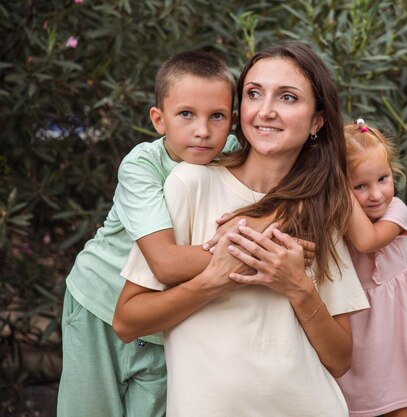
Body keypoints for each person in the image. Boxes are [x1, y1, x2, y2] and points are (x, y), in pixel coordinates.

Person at [112, 41, 370, 417]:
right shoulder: (191, 183)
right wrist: (214, 279)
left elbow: (340, 360)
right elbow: (126, 321)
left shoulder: (320, 208)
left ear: (317, 121)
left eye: (287, 97)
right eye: (254, 94)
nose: (266, 111)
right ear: (240, 110)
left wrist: (297, 286)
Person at [57, 50, 238, 417]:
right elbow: (166, 264)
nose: (202, 130)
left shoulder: (234, 154)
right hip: (100, 306)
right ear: (159, 119)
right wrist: (248, 255)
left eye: (216, 116)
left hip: (166, 319)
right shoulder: (142, 165)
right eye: (186, 114)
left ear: (233, 121)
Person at [336, 119, 407, 417]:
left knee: (404, 403)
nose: (375, 194)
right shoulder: (336, 218)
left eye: (383, 178)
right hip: (356, 331)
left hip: (396, 330)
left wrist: (339, 186)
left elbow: (367, 241)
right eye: (359, 186)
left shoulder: (396, 209)